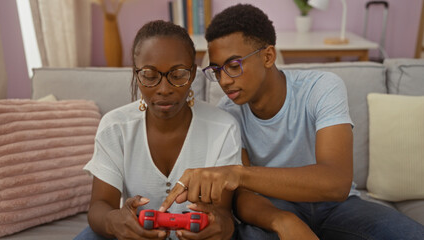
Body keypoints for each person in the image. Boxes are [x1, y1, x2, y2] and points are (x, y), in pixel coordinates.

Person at [162, 4, 424, 240]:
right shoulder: (228, 113)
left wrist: (239, 174)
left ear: (268, 57)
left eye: (233, 65)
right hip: (272, 207)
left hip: (338, 207)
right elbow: (243, 197)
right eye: (217, 70)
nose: (225, 80)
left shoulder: (321, 88)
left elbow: (337, 182)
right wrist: (282, 220)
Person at [74, 20, 241, 240]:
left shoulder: (223, 127)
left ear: (192, 74)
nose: (164, 89)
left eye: (178, 75)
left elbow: (222, 211)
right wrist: (115, 222)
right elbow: (100, 206)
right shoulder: (115, 127)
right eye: (150, 76)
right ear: (136, 74)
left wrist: (218, 224)